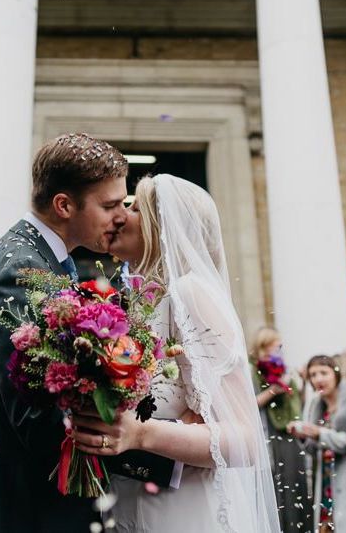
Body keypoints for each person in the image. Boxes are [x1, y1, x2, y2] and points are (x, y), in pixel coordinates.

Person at [0, 134, 176, 533]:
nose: (122, 215)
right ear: (64, 205)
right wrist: (165, 455)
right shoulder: (21, 272)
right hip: (11, 509)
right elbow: (39, 417)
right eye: (109, 205)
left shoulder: (40, 259)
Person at [72, 174, 281, 533]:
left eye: (134, 207)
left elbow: (243, 437)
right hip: (130, 499)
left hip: (183, 511)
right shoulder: (137, 304)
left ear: (163, 225)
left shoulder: (191, 294)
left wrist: (141, 434)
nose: (120, 215)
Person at [287, 355, 346, 533]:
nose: (318, 379)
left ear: (336, 374)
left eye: (324, 373)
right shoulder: (316, 404)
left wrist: (320, 433)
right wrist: (304, 436)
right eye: (313, 375)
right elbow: (313, 450)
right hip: (325, 477)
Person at [250, 327, 311, 533]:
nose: (279, 349)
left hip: (290, 434)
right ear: (264, 345)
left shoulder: (284, 368)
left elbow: (295, 402)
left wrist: (300, 383)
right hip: (270, 434)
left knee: (296, 483)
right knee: (280, 485)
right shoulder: (253, 370)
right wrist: (275, 389)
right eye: (276, 344)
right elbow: (250, 404)